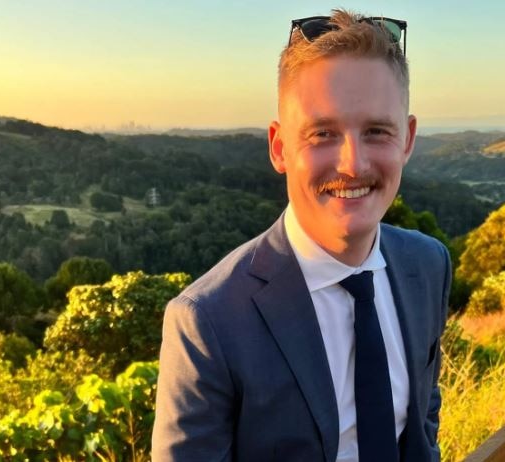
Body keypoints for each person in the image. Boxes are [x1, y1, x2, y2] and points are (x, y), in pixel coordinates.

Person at [152, 9, 451, 462]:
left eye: (376, 131)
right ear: (279, 147)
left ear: (407, 139)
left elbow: (423, 413)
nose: (352, 164)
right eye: (323, 133)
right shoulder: (209, 321)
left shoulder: (428, 265)